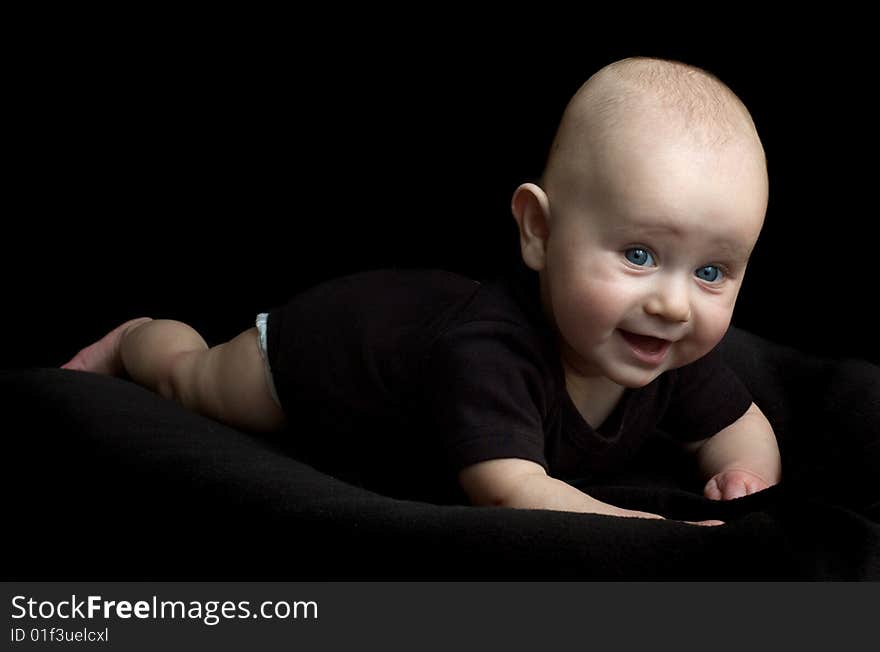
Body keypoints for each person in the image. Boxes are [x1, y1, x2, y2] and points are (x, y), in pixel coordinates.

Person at [62, 56, 781, 525]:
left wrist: (746, 478)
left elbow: (739, 426)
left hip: (418, 328)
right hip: (326, 354)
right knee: (193, 383)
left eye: (712, 272)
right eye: (638, 253)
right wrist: (659, 531)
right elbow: (512, 491)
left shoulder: (664, 345)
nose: (673, 302)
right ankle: (137, 339)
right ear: (537, 232)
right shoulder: (491, 350)